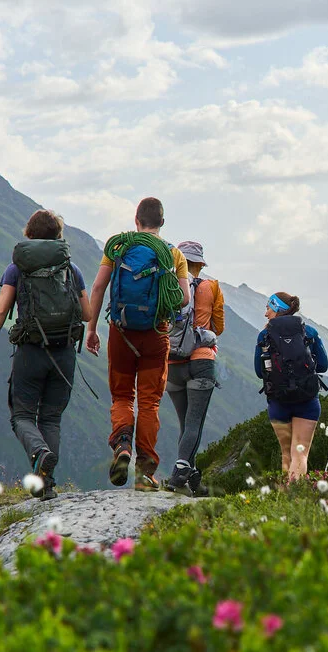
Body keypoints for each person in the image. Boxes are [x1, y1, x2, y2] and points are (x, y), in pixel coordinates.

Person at [0, 209, 92, 500]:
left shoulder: (17, 269)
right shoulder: (71, 269)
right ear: (58, 236)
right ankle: (46, 484)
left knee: (22, 415)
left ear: (29, 235)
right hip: (63, 353)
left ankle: (39, 453)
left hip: (31, 351)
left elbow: (1, 310)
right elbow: (87, 313)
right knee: (51, 418)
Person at [85, 197, 189, 491]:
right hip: (156, 334)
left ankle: (121, 446)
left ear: (136, 220)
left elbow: (98, 287)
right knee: (149, 402)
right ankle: (145, 474)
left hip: (121, 331)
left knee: (121, 396)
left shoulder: (118, 247)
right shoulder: (173, 254)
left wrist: (91, 329)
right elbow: (183, 299)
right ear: (162, 223)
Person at [163, 240, 224, 495]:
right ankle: (181, 472)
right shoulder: (212, 287)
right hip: (201, 361)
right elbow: (218, 328)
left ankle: (193, 477)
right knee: (194, 423)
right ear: (200, 264)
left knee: (184, 423)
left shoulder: (168, 283)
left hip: (173, 361)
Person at [255, 292, 328, 482]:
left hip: (279, 402)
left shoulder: (264, 335)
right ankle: (296, 495)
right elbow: (323, 365)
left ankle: (285, 498)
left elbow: (258, 370)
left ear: (277, 308)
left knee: (286, 454)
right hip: (307, 401)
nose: (266, 313)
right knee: (300, 454)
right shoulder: (309, 332)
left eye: (268, 308)